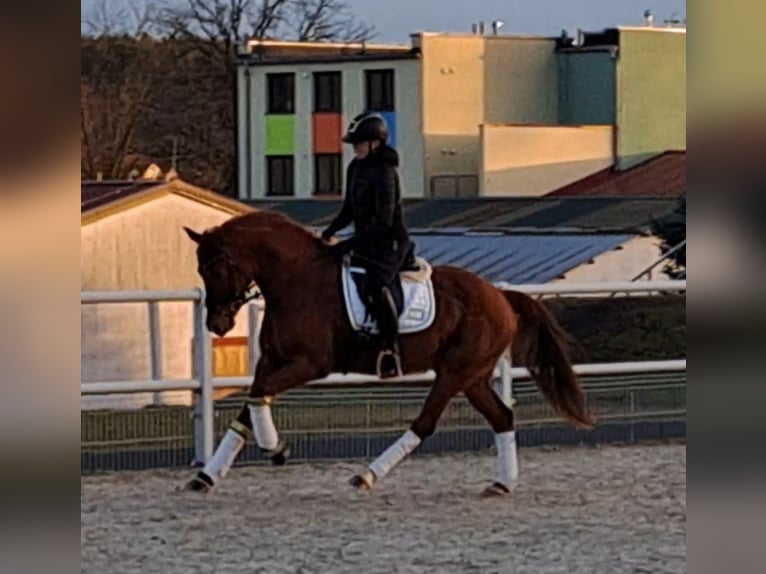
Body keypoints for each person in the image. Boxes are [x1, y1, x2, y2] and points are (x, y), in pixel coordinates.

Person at [320, 111, 415, 379]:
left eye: (360, 143)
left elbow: (383, 222)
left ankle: (390, 349)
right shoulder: (356, 168)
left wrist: (349, 244)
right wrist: (329, 231)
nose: (356, 147)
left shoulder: (386, 173)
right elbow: (349, 209)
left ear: (376, 143)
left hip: (390, 244)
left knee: (376, 286)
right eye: (354, 143)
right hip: (365, 242)